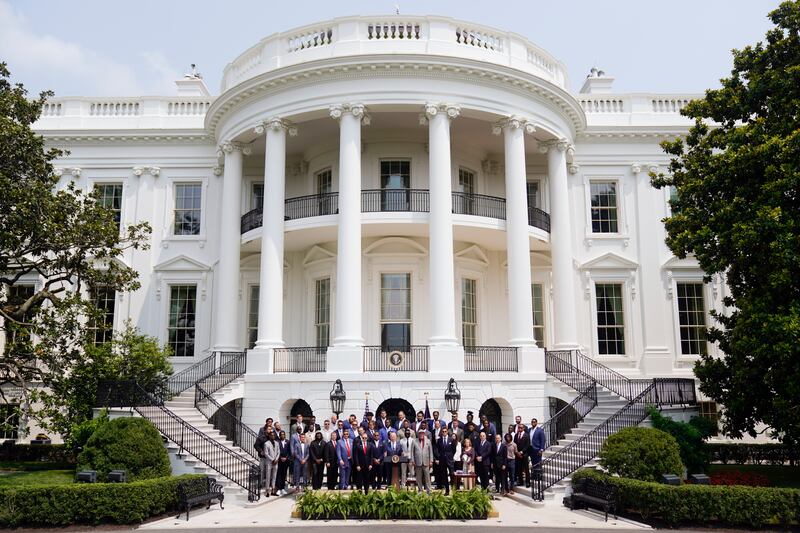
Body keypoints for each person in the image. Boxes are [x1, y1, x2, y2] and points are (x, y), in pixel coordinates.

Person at [434, 427, 457, 495]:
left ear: (447, 432)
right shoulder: (439, 440)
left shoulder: (451, 440)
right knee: (444, 476)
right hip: (442, 460)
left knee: (452, 474)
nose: (444, 432)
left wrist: (450, 456)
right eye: (443, 431)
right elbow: (437, 449)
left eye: (445, 431)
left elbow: (454, 449)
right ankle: (447, 490)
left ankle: (453, 489)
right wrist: (439, 457)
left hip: (449, 460)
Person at [352, 427, 374, 493]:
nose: (364, 439)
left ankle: (366, 492)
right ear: (361, 438)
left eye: (365, 438)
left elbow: (371, 455)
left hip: (367, 465)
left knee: (366, 479)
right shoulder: (358, 445)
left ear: (367, 438)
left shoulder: (370, 445)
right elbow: (355, 456)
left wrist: (371, 464)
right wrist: (357, 465)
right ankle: (359, 492)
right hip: (360, 465)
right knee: (359, 480)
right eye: (363, 438)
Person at [514, 423, 530, 487]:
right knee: (519, 469)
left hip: (524, 454)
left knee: (526, 469)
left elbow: (527, 445)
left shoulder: (526, 435)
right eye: (519, 428)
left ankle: (528, 482)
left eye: (521, 428)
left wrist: (521, 452)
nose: (519, 429)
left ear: (523, 428)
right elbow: (515, 444)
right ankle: (520, 482)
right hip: (518, 455)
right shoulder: (516, 435)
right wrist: (517, 452)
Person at [264, 431, 280, 496]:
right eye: (271, 435)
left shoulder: (277, 443)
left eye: (274, 435)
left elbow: (278, 452)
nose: (273, 436)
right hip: (269, 462)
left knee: (274, 476)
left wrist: (276, 460)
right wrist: (272, 460)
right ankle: (267, 491)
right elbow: (266, 453)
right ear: (269, 436)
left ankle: (273, 490)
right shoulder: (266, 443)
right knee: (268, 476)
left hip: (276, 462)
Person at [276, 430, 291, 495]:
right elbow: (276, 451)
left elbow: (289, 451)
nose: (282, 435)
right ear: (279, 435)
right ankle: (279, 489)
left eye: (283, 434)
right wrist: (280, 457)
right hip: (279, 460)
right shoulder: (277, 442)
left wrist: (286, 458)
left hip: (286, 461)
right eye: (281, 434)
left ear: (285, 435)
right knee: (279, 474)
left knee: (284, 475)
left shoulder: (288, 442)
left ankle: (282, 488)